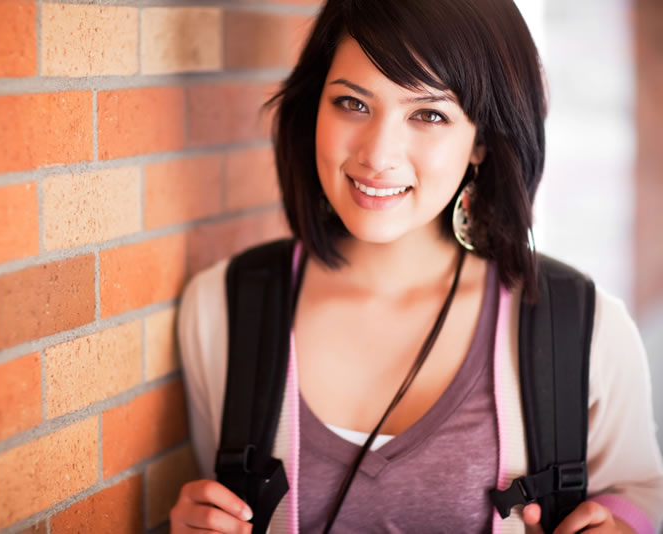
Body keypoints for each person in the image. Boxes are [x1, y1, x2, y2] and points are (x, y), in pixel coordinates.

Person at [171, 0, 663, 532]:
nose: (378, 153)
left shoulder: (583, 329)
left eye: (428, 114)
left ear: (480, 143)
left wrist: (622, 522)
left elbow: (640, 492)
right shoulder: (221, 311)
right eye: (352, 104)